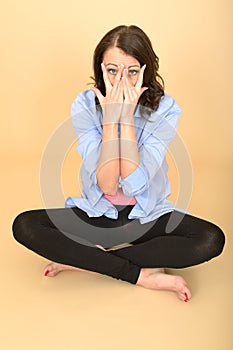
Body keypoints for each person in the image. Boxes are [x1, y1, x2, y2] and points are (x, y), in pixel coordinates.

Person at [12, 25, 225, 302]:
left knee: (210, 239)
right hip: (99, 215)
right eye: (112, 71)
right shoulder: (85, 105)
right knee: (25, 225)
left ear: (146, 70)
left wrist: (127, 118)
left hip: (148, 217)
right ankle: (139, 275)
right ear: (100, 69)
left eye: (132, 72)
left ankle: (83, 260)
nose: (120, 82)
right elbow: (107, 184)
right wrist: (111, 119)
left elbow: (136, 183)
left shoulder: (166, 108)